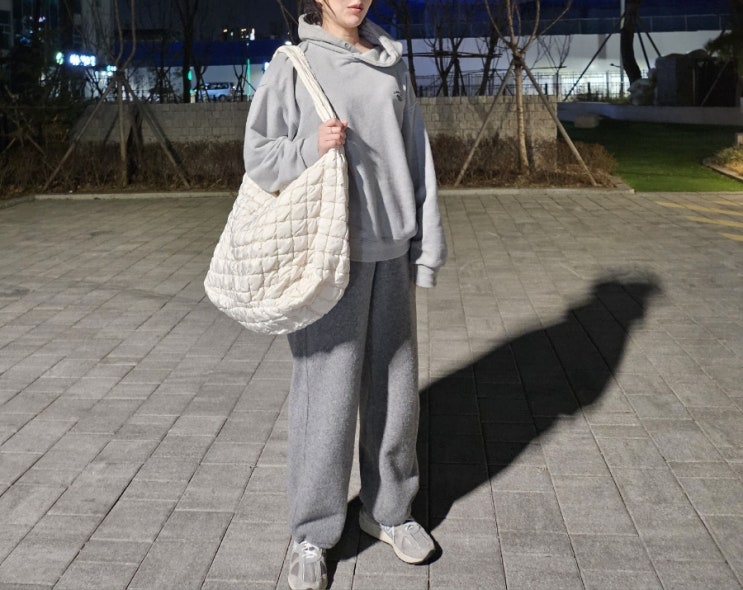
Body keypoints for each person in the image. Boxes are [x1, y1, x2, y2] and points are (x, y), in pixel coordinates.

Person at [242, 1, 447, 588]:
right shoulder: (295, 63)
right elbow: (258, 156)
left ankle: (388, 511)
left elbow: (417, 156)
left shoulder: (391, 63)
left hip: (392, 248)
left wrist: (426, 245)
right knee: (325, 397)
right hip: (327, 255)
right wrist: (310, 146)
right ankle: (313, 532)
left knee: (395, 390)